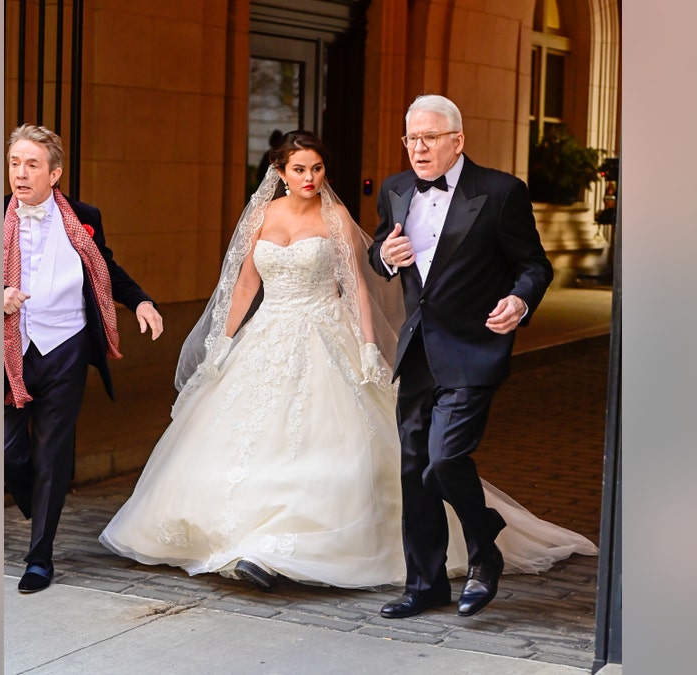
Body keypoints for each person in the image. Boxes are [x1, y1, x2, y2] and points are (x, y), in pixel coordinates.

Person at [99, 130, 593, 592]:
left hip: (322, 330)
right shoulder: (262, 217)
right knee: (243, 438)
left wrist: (367, 345)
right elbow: (246, 284)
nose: (309, 178)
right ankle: (235, 538)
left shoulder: (334, 218)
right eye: (298, 169)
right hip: (267, 332)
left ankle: (276, 549)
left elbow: (359, 285)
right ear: (280, 171)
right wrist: (222, 344)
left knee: (321, 442)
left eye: (316, 169)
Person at [368, 94, 565, 619]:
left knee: (444, 460)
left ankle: (485, 546)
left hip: (474, 348)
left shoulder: (500, 192)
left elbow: (534, 265)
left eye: (430, 137)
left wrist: (520, 300)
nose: (419, 147)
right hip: (417, 352)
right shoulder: (394, 189)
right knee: (415, 470)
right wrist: (384, 257)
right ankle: (426, 584)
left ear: (458, 141)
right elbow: (378, 249)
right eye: (412, 137)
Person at [4, 124, 164, 594]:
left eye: (32, 164)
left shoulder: (84, 216)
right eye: (15, 163)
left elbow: (106, 268)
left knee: (53, 453)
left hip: (67, 347)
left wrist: (140, 302)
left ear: (54, 174)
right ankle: (39, 495)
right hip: (10, 346)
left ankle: (39, 558)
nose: (20, 173)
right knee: (9, 452)